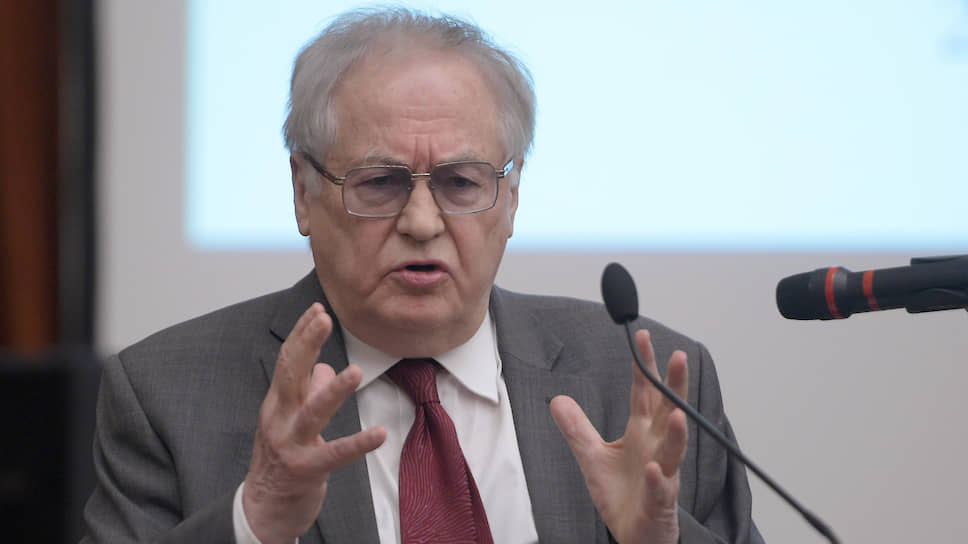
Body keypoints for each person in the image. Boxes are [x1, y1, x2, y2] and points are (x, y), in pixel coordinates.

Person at [82, 8, 763, 544]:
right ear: (302, 192)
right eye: (379, 182)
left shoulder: (646, 387)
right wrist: (254, 520)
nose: (421, 221)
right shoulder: (167, 396)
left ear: (511, 198)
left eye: (461, 182)